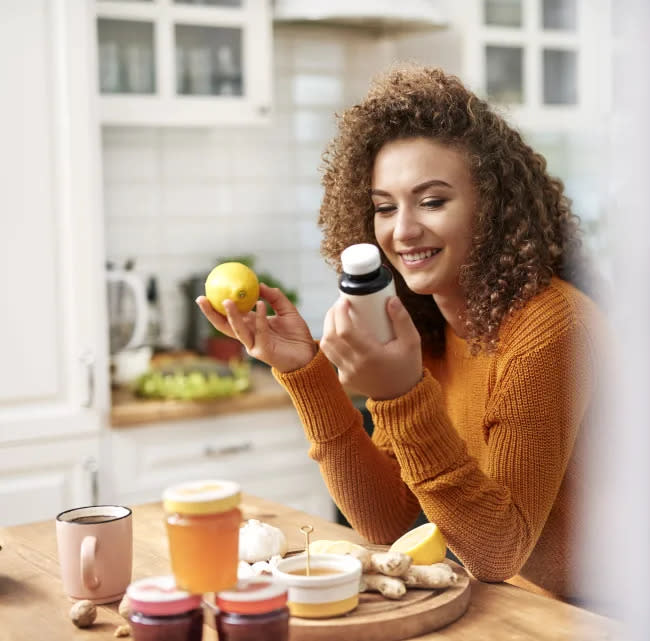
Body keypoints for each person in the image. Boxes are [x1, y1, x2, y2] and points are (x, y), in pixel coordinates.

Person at [197, 65, 611, 604]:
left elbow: (499, 550)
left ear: (493, 206)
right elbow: (389, 519)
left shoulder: (552, 326)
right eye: (385, 207)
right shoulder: (423, 324)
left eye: (433, 201)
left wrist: (398, 393)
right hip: (515, 607)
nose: (403, 229)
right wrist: (306, 373)